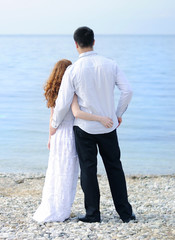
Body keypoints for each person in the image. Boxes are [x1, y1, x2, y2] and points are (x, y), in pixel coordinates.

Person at [50, 26, 135, 223]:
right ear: (94, 42)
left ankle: (92, 214)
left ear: (76, 44)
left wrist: (54, 124)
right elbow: (127, 91)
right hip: (108, 126)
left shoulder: (72, 70)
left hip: (84, 128)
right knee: (115, 168)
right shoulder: (110, 64)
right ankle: (125, 213)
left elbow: (63, 102)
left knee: (88, 170)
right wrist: (117, 114)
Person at [33, 59, 114, 223]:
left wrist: (50, 137)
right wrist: (100, 118)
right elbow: (77, 113)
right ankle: (62, 210)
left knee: (56, 172)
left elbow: (52, 118)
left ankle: (54, 206)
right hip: (69, 135)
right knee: (67, 174)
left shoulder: (53, 92)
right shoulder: (71, 92)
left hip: (57, 135)